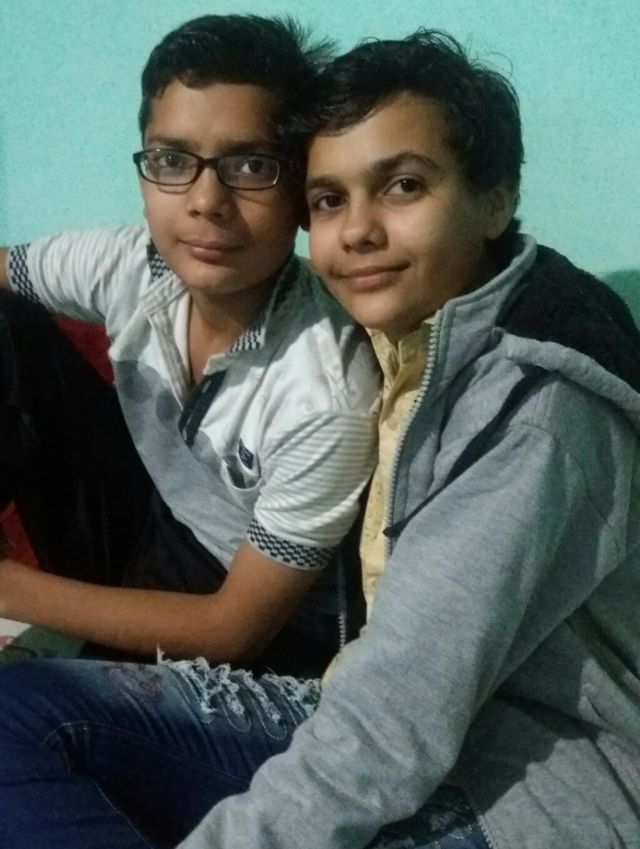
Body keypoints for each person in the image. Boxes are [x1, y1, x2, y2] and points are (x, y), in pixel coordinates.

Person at [1, 27, 639, 849]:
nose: (359, 230)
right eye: (332, 199)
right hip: (392, 710)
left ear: (496, 198)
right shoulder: (421, 336)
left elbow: (388, 723)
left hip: (520, 780)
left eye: (403, 185)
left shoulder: (527, 415)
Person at [0, 14, 378, 677]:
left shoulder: (327, 388)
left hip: (263, 635)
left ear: (301, 188)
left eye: (251, 165)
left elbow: (234, 631)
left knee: (27, 712)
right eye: (173, 160)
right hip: (154, 525)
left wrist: (12, 589)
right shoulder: (131, 263)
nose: (206, 201)